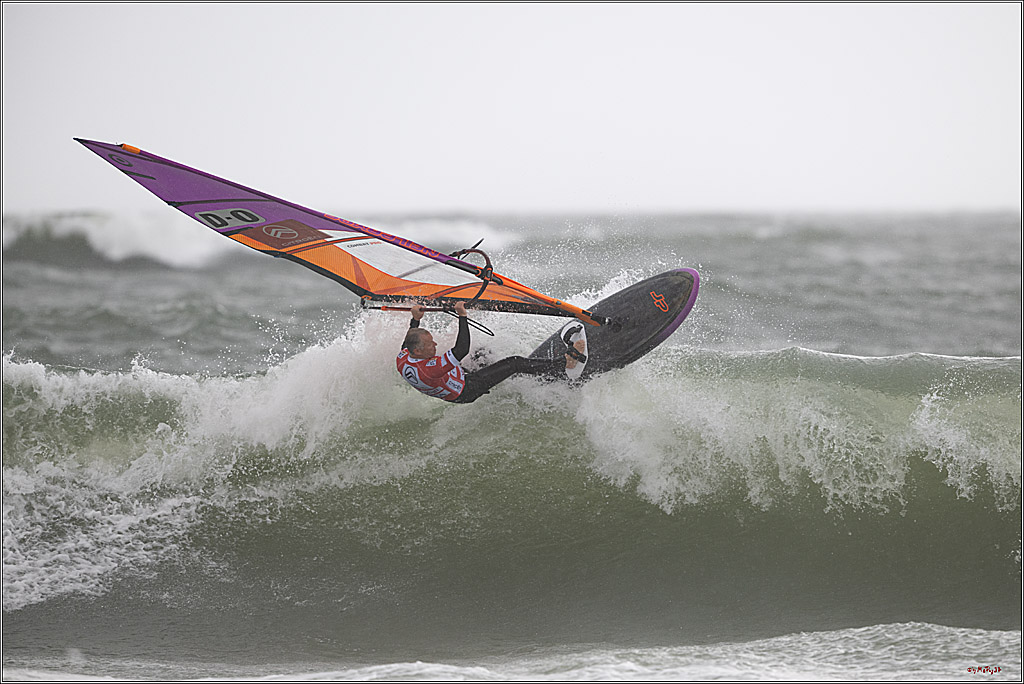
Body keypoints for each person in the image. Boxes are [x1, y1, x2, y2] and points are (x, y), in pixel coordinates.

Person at [396, 302, 587, 404]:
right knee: (514, 363)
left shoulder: (404, 357)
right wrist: (463, 316)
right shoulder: (430, 369)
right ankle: (564, 363)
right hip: (466, 389)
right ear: (419, 351)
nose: (435, 344)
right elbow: (461, 350)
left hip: (456, 378)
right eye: (430, 345)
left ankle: (508, 375)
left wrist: (415, 319)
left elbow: (407, 341)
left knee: (482, 354)